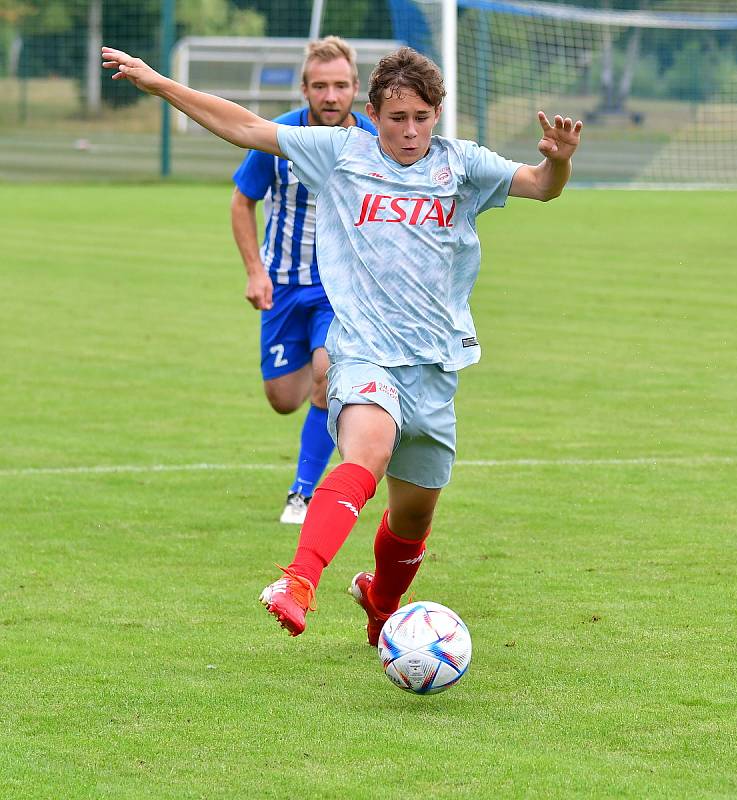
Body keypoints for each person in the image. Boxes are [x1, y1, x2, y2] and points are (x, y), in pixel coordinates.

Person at [102, 43, 583, 645]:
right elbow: (246, 127)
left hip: (435, 363)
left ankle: (381, 603)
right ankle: (298, 580)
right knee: (366, 452)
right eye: (396, 118)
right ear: (372, 112)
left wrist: (559, 162)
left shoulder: (462, 166)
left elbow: (541, 185)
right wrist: (161, 84)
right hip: (361, 349)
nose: (410, 132)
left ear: (438, 113)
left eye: (422, 117)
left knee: (414, 516)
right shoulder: (340, 154)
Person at [231, 37, 377, 525]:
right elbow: (241, 200)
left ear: (357, 87)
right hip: (284, 286)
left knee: (323, 377)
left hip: (341, 290)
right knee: (282, 398)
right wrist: (255, 271)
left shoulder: (373, 141)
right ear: (305, 89)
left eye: (340, 86)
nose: (331, 96)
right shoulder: (279, 138)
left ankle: (302, 493)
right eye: (320, 86)